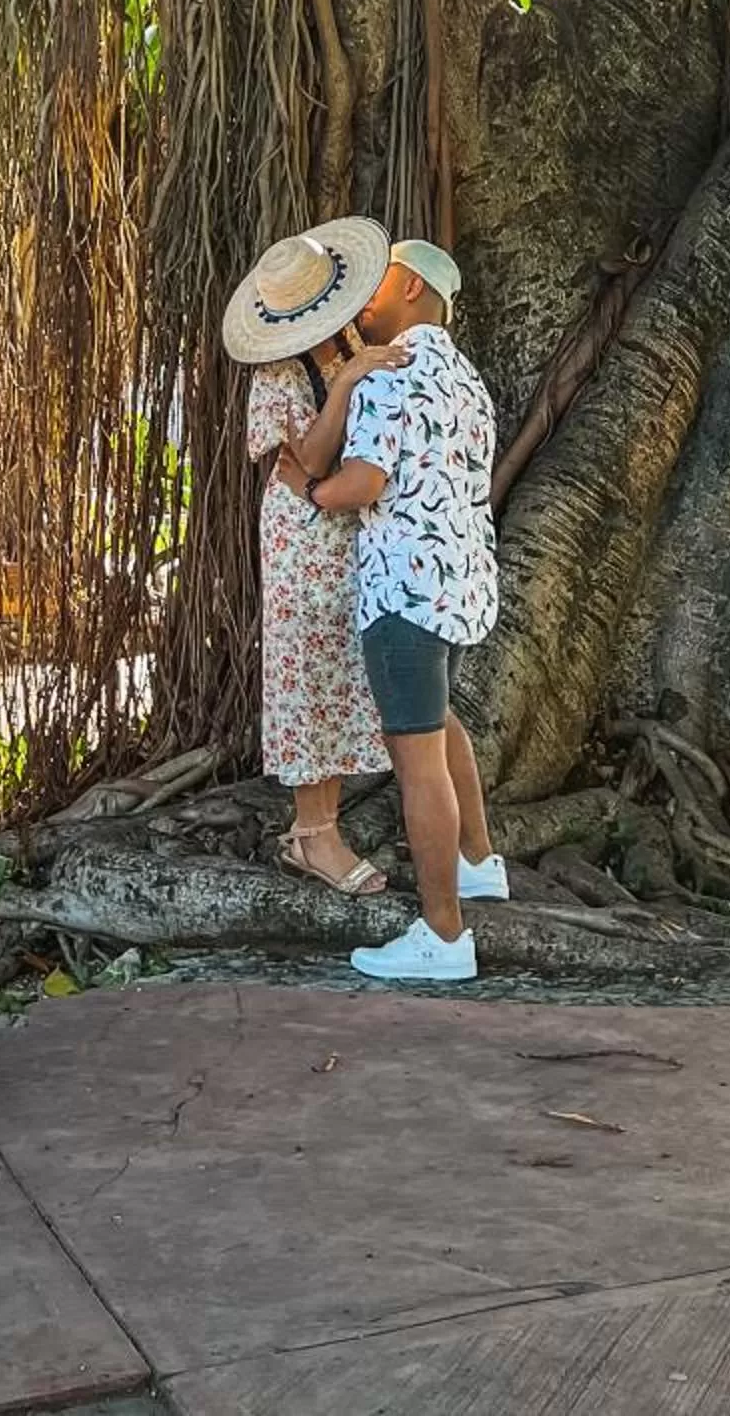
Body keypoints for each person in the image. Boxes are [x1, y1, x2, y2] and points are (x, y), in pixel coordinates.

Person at [287, 238, 505, 983]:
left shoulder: (391, 373)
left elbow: (362, 482)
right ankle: (479, 864)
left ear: (410, 287)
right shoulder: (466, 379)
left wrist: (311, 494)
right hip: (461, 586)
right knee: (444, 728)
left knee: (417, 762)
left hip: (404, 592)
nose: (363, 299)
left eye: (377, 283)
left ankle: (443, 936)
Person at [222, 222, 404, 896]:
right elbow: (310, 460)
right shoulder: (278, 372)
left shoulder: (349, 345)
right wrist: (349, 379)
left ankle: (321, 827)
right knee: (307, 674)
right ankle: (313, 833)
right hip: (302, 533)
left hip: (347, 527)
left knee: (338, 674)